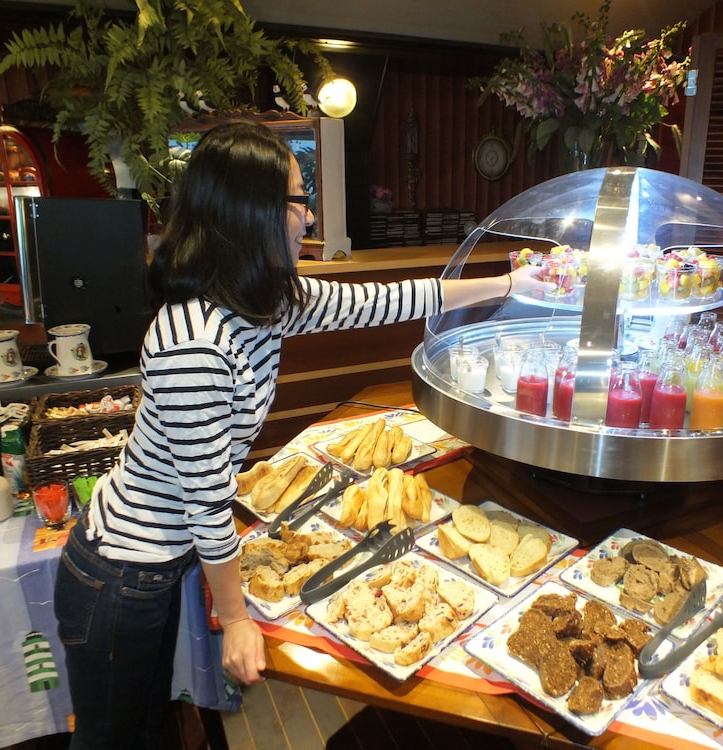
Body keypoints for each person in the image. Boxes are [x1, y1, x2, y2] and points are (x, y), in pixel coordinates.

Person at [53, 119, 549, 748]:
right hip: (123, 573)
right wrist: (236, 618)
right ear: (251, 213)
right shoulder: (193, 342)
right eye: (298, 199)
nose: (309, 217)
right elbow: (207, 502)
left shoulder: (261, 301)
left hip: (161, 564)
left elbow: (387, 300)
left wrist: (508, 285)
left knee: (149, 729)